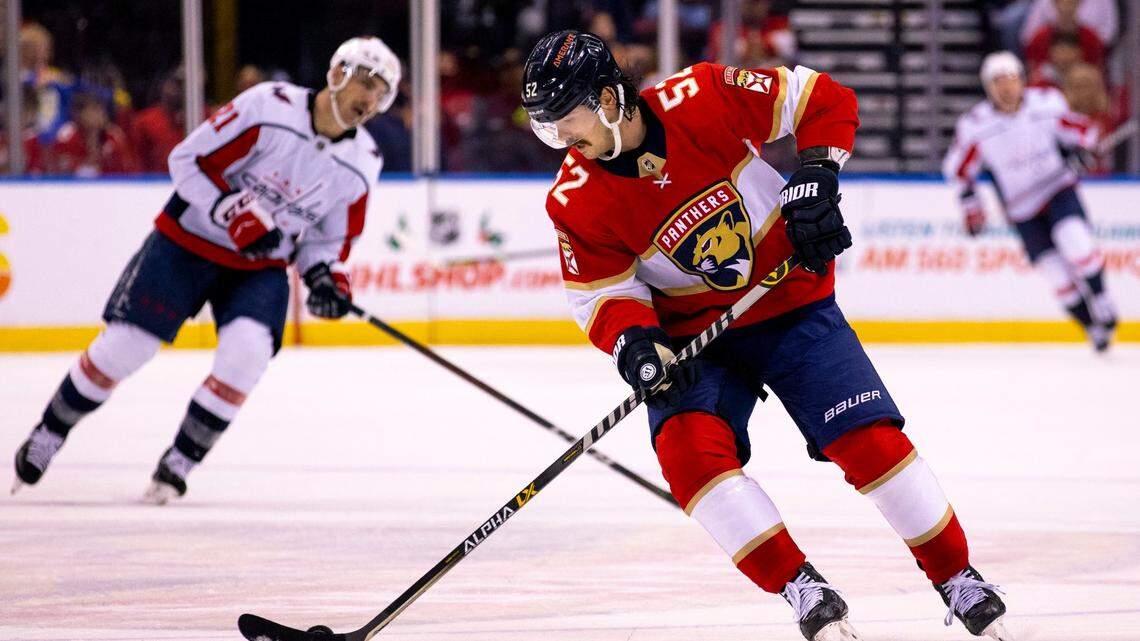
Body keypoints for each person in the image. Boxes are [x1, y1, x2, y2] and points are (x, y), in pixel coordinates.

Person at [523, 30, 1010, 641]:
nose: (563, 141)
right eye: (548, 130)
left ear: (609, 98)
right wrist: (638, 344)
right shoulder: (574, 198)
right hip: (697, 340)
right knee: (687, 454)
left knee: (867, 441)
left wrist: (816, 172)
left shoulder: (699, 94)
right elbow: (600, 294)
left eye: (566, 122)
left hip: (790, 298)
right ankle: (800, 585)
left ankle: (958, 578)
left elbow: (822, 98)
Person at [12, 36, 400, 504]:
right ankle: (49, 433)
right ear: (337, 74)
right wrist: (228, 209)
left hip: (258, 265)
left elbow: (328, 241)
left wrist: (325, 277)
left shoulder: (363, 163)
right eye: (365, 82)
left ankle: (180, 461)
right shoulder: (269, 107)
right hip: (187, 242)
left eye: (381, 92)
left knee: (248, 354)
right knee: (125, 348)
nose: (370, 98)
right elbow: (187, 160)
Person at [944, 51, 1117, 351]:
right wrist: (971, 206)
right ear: (988, 87)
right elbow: (957, 170)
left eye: (1012, 79)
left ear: (1022, 81)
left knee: (1076, 243)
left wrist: (1085, 150)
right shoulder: (976, 125)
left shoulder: (1046, 103)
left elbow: (1083, 130)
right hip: (1022, 209)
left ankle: (1101, 297)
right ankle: (1091, 327)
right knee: (1057, 277)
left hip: (1058, 190)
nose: (1007, 87)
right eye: (998, 82)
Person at [50, 92, 141, 176]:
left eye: (102, 110)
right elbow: (61, 171)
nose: (100, 115)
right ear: (78, 114)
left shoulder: (113, 135)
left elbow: (127, 169)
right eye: (94, 110)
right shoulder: (66, 136)